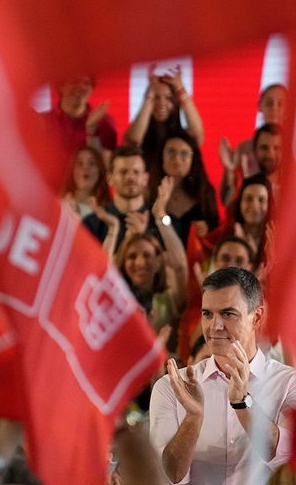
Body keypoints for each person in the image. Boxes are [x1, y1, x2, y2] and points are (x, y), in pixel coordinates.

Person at [149, 268, 296, 485]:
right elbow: (169, 475)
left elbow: (284, 455)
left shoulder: (292, 383)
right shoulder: (172, 386)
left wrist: (242, 401)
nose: (215, 326)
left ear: (257, 317)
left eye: (228, 314)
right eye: (207, 314)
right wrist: (193, 418)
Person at [115, 178, 189, 335]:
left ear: (159, 261)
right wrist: (126, 235)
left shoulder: (170, 299)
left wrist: (161, 216)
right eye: (132, 256)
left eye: (147, 255)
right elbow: (105, 270)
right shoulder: (117, 300)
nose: (140, 262)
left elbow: (180, 265)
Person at [125, 67, 205, 174]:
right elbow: (133, 141)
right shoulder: (140, 133)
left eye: (168, 98)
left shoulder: (181, 136)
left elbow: (197, 134)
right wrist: (149, 94)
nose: (162, 103)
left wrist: (180, 88)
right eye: (156, 97)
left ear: (176, 103)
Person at [83, 146, 160, 253]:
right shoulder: (92, 223)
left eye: (136, 172)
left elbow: (174, 266)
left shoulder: (160, 220)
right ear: (110, 179)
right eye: (123, 172)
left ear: (145, 179)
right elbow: (91, 268)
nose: (130, 177)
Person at [148, 134, 220, 247]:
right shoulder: (148, 191)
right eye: (171, 152)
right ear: (161, 156)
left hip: (195, 261)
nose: (177, 158)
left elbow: (216, 234)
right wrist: (161, 215)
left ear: (193, 159)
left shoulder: (204, 192)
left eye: (184, 153)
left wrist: (206, 234)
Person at [45, 75, 118, 155]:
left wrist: (93, 132)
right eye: (74, 81)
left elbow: (107, 164)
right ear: (60, 87)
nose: (81, 87)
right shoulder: (43, 122)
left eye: (86, 83)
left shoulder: (105, 123)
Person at [221, 123, 281, 207]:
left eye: (277, 148)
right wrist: (229, 169)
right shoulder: (245, 187)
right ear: (255, 150)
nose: (271, 154)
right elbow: (227, 204)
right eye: (264, 148)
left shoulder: (294, 188)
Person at [61, 146, 111, 219]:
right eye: (79, 163)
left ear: (100, 171)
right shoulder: (59, 206)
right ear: (72, 171)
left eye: (91, 163)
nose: (85, 168)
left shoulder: (108, 213)